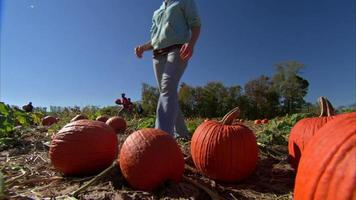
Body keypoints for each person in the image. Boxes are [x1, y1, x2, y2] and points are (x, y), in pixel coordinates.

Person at [134, 0, 201, 138]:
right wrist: (143, 47)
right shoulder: (157, 12)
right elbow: (154, 40)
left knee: (167, 88)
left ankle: (161, 137)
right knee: (167, 93)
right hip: (158, 56)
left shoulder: (183, 1)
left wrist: (191, 43)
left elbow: (195, 23)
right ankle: (182, 134)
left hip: (177, 50)